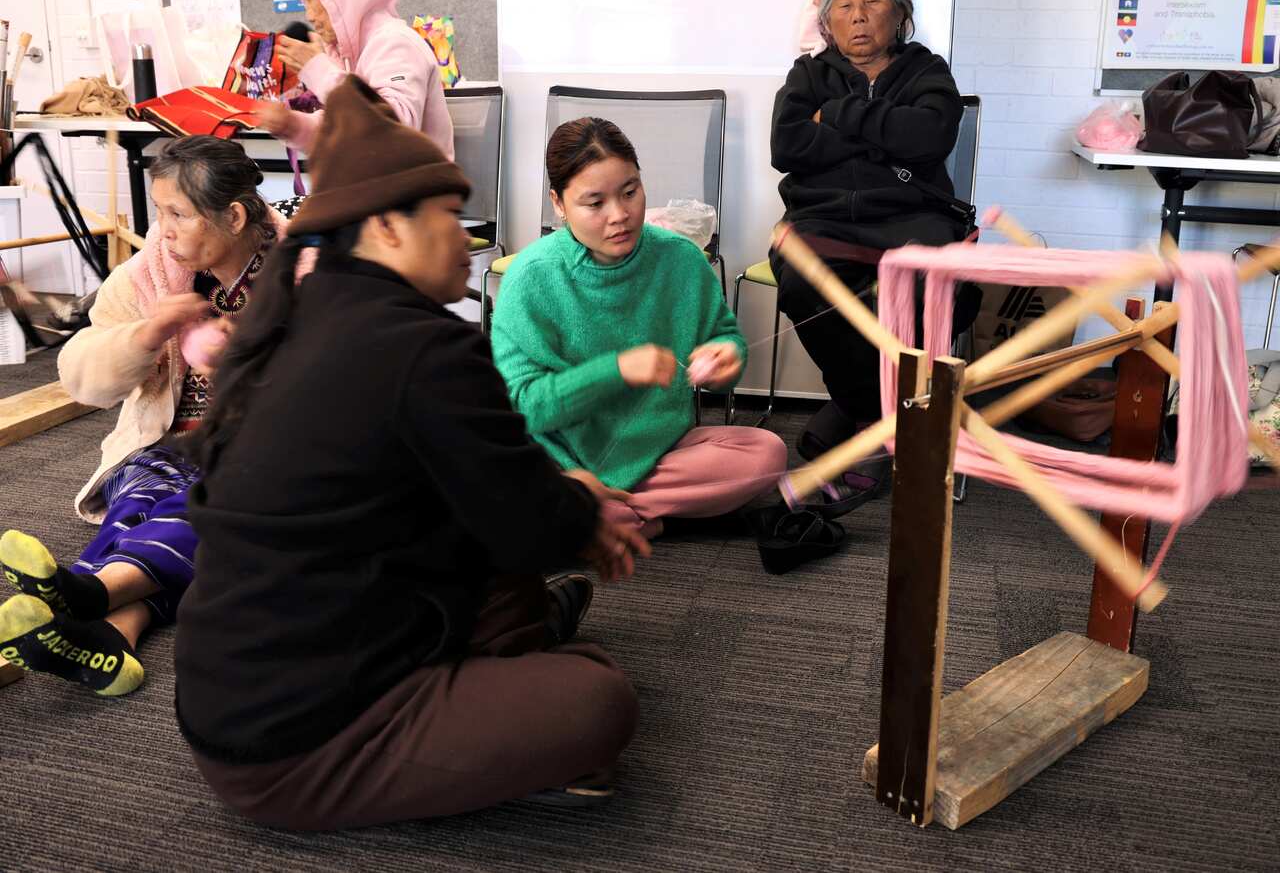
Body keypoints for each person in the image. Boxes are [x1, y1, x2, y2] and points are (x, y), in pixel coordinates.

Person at [175, 77, 650, 829]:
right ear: (388, 229)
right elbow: (532, 521)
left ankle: (502, 669)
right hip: (297, 745)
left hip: (236, 697)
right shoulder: (420, 345)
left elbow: (496, 491)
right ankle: (512, 707)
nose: (463, 238)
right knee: (599, 696)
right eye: (446, 219)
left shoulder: (305, 317)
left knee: (512, 522)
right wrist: (582, 510)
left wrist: (564, 496)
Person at [0, 136, 284, 696]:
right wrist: (148, 333)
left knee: (208, 504)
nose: (164, 229)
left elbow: (348, 386)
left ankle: (84, 592)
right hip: (165, 447)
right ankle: (114, 634)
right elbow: (80, 377)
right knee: (145, 496)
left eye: (178, 213)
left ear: (232, 215)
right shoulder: (150, 275)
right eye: (160, 213)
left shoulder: (304, 275)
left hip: (267, 456)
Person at [490, 117, 788, 540]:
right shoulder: (532, 277)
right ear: (558, 203)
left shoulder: (682, 259)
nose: (620, 215)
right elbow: (523, 407)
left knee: (766, 453)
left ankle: (599, 519)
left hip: (660, 453)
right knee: (484, 482)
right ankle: (619, 515)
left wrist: (727, 358)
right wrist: (619, 370)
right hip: (560, 459)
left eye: (630, 192)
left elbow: (724, 338)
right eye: (594, 203)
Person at [768, 0, 974, 508]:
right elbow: (788, 146)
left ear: (900, 14)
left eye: (873, 2)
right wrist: (888, 131)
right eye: (845, 5)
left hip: (914, 219)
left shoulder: (927, 70)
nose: (858, 16)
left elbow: (930, 139)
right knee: (805, 282)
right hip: (824, 219)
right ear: (827, 20)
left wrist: (837, 114)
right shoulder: (808, 73)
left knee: (935, 289)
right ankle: (880, 420)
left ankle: (865, 420)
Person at [253, 0, 454, 160]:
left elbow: (391, 132)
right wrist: (293, 126)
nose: (308, 15)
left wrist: (318, 70)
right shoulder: (349, 55)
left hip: (413, 194)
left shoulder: (395, 44)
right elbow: (346, 129)